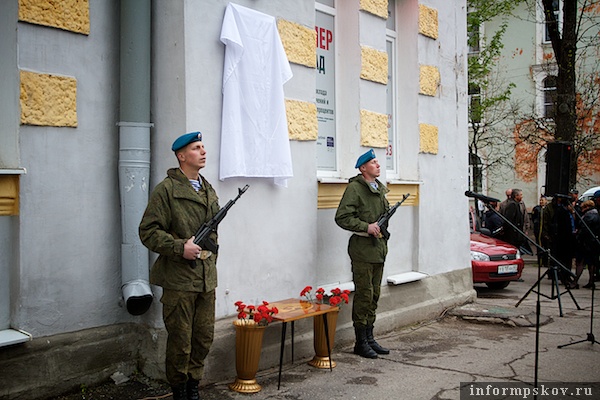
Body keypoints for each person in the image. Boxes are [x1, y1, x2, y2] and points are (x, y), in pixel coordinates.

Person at [139, 131, 220, 400]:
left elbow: (212, 233)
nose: (203, 151)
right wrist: (179, 247)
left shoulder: (207, 188)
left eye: (203, 147)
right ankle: (180, 390)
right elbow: (148, 231)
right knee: (180, 342)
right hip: (179, 279)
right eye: (197, 148)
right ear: (182, 156)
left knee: (203, 338)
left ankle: (194, 384)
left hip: (206, 278)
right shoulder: (167, 190)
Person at [335, 149, 390, 359]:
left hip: (378, 248)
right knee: (364, 295)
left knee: (375, 294)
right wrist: (366, 226)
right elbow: (342, 217)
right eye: (374, 162)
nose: (378, 165)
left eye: (378, 162)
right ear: (363, 168)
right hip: (362, 248)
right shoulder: (355, 189)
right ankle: (360, 342)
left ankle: (370, 337)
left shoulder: (379, 189)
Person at [541, 195, 576, 286]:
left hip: (568, 239)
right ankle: (563, 276)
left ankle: (566, 275)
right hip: (562, 240)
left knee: (567, 259)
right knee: (563, 259)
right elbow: (557, 226)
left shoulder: (567, 212)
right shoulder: (561, 212)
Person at [574, 200, 600, 289]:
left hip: (585, 243)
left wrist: (578, 234)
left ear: (587, 207)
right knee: (591, 263)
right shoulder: (597, 215)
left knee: (580, 262)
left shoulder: (588, 216)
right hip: (593, 242)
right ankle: (591, 281)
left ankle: (575, 281)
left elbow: (584, 229)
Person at [531, 195, 548, 267]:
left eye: (542, 200)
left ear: (546, 201)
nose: (541, 202)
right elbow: (533, 218)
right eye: (540, 200)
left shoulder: (547, 209)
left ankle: (546, 262)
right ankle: (540, 261)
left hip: (545, 231)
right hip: (538, 230)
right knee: (539, 246)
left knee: (546, 246)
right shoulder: (536, 209)